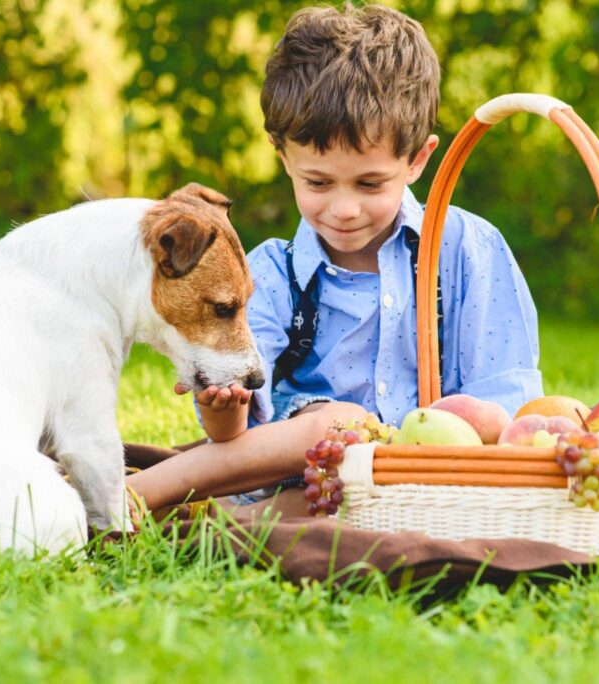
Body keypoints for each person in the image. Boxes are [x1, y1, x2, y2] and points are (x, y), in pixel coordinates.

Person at [126, 3, 542, 514]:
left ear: (417, 159)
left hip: (441, 482)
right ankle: (134, 500)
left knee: (336, 476)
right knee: (336, 427)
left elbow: (509, 398)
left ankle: (217, 521)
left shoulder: (468, 251)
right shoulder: (270, 275)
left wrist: (432, 441)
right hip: (310, 483)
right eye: (318, 183)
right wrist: (224, 408)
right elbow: (233, 436)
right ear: (284, 158)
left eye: (370, 184)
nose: (344, 210)